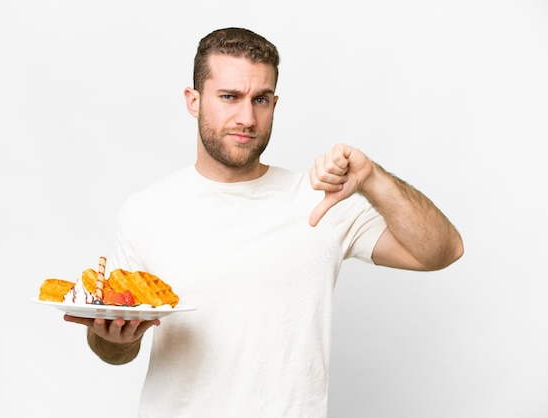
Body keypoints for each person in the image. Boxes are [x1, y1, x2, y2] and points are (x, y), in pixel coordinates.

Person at [64, 27, 464, 417]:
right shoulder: (146, 210)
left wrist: (373, 177)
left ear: (275, 104)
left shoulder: (322, 201)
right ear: (193, 100)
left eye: (261, 99)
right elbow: (114, 348)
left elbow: (443, 251)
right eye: (229, 97)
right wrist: (111, 337)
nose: (247, 117)